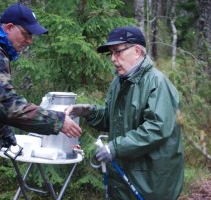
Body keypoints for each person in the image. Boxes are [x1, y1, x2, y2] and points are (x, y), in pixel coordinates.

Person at [0, 3, 82, 200]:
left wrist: (2, 130)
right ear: (8, 27)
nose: (30, 41)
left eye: (31, 36)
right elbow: (6, 105)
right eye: (26, 34)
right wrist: (57, 121)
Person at [69, 26, 184, 200]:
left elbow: (157, 128)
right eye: (111, 54)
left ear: (137, 51)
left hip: (151, 181)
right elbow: (111, 118)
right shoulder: (119, 82)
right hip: (125, 177)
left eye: (117, 52)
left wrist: (115, 148)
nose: (113, 59)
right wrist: (88, 111)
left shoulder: (157, 83)